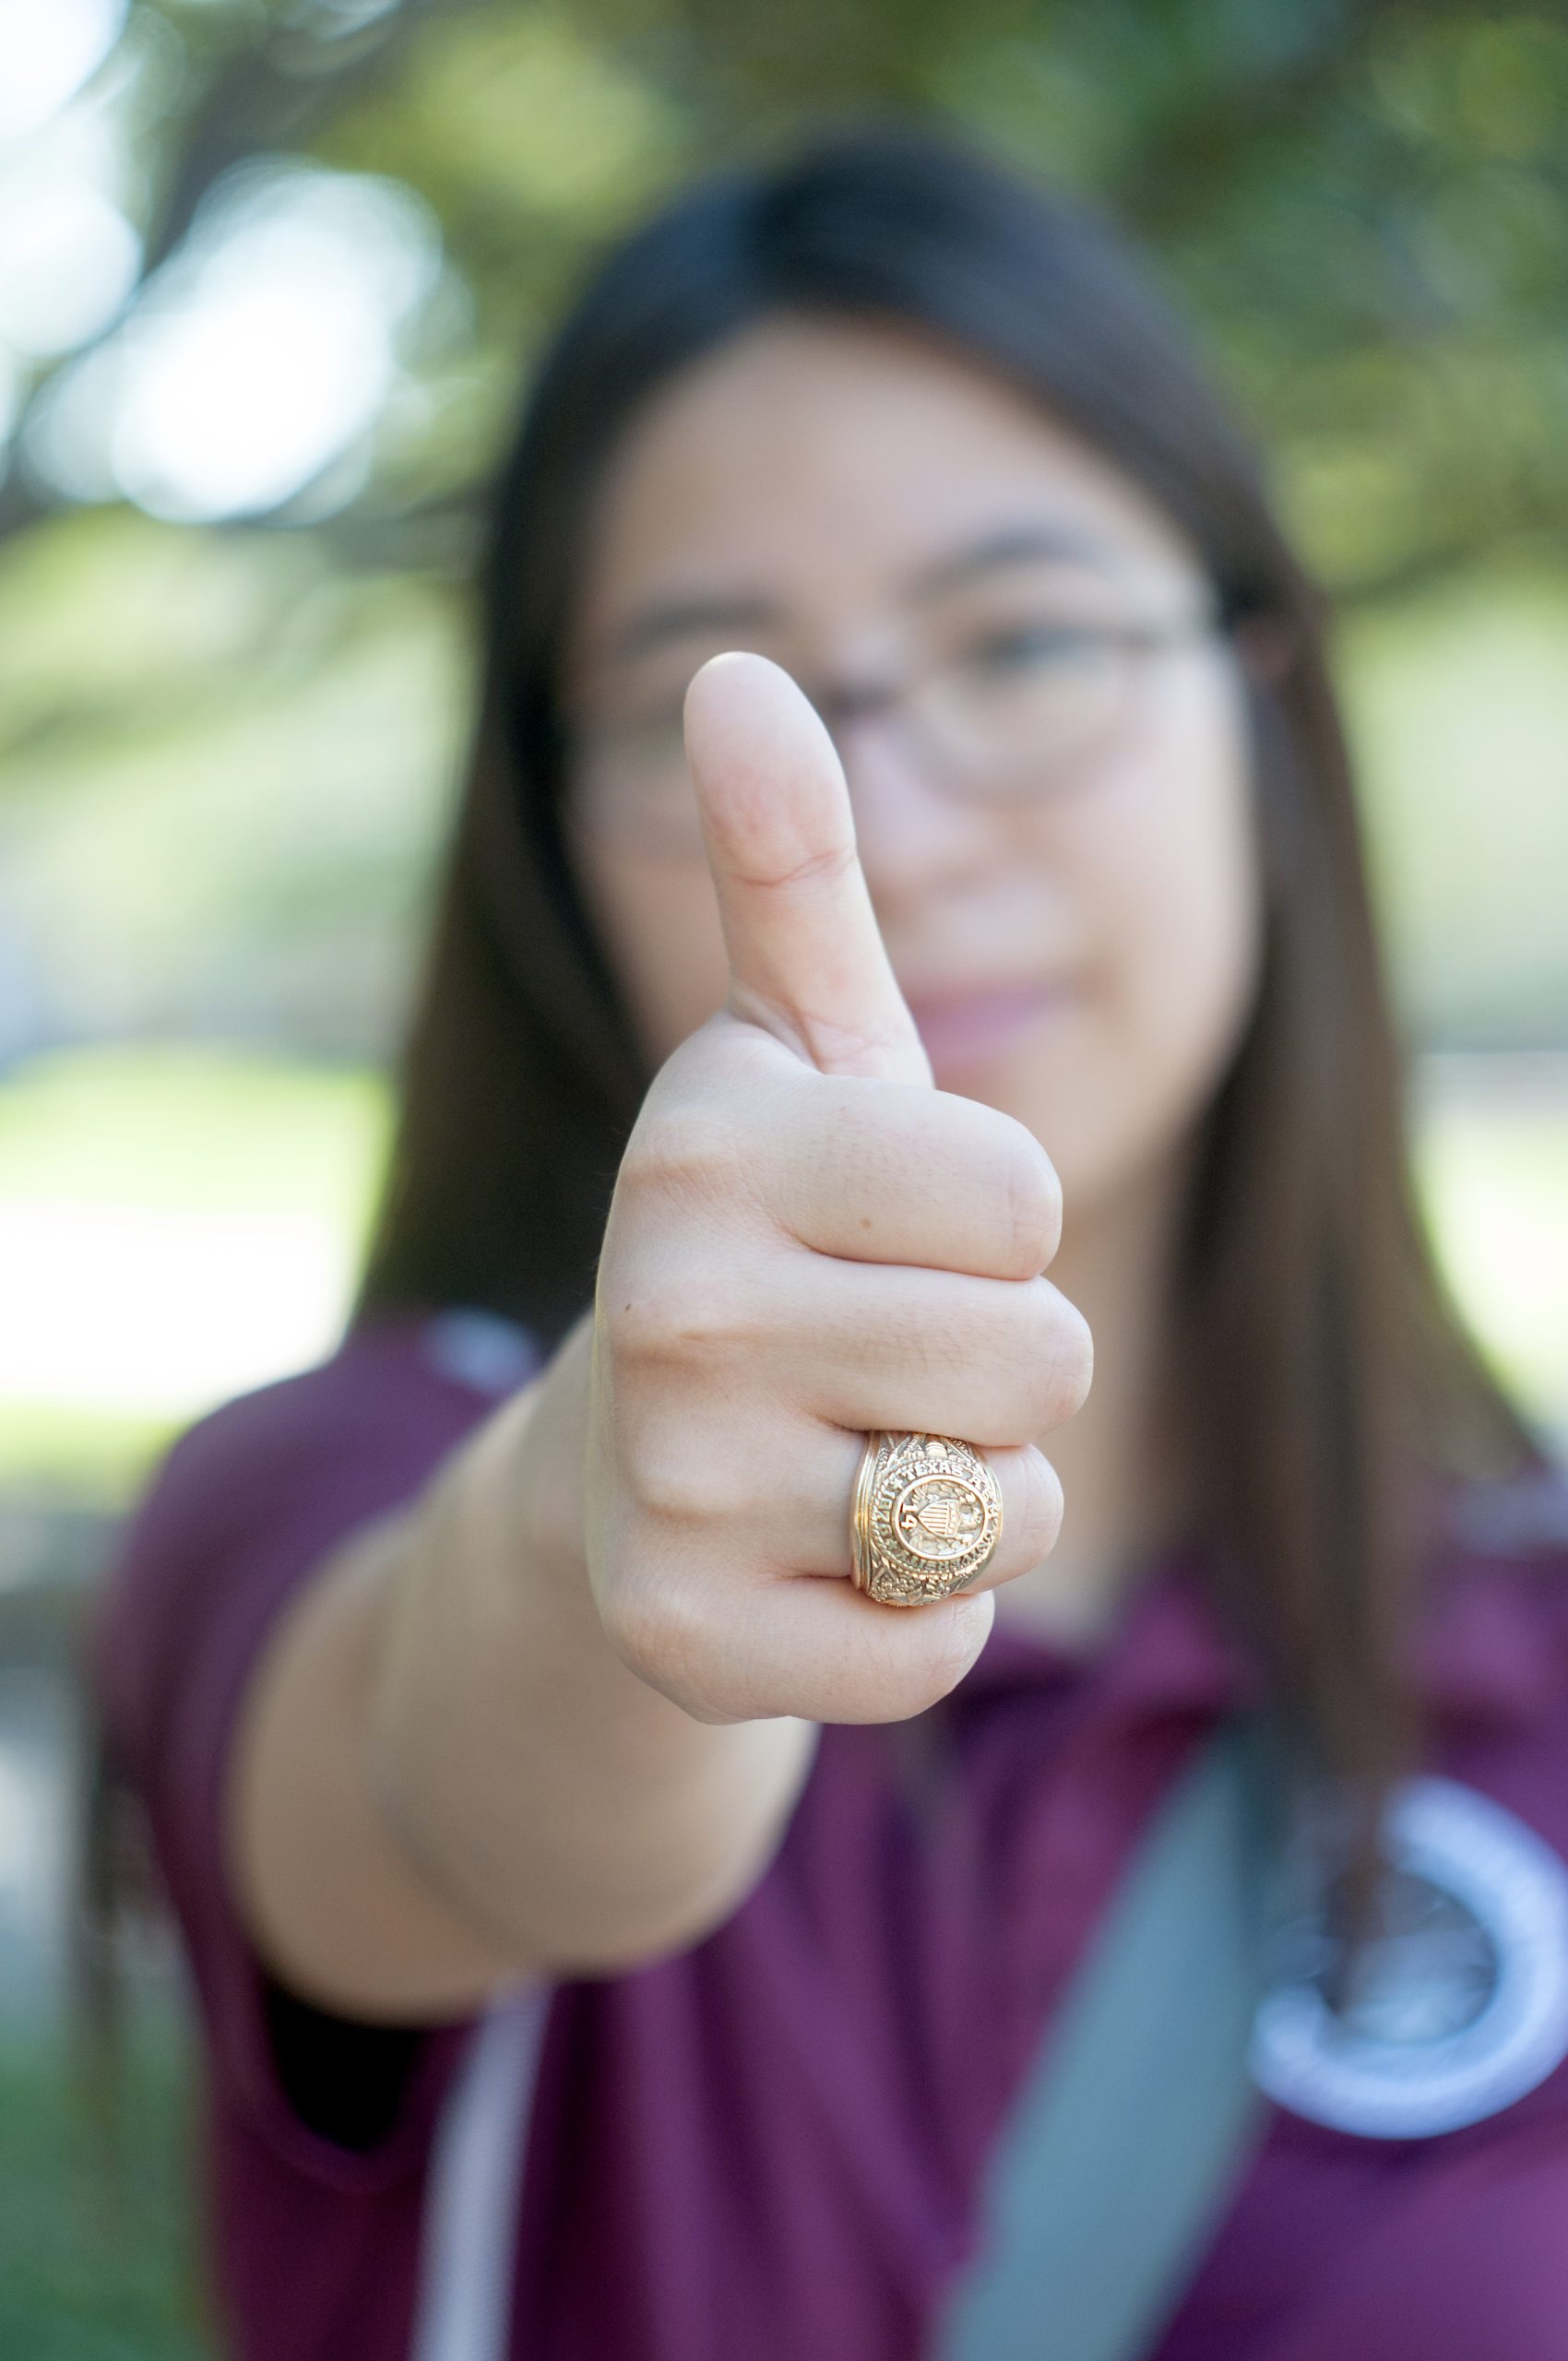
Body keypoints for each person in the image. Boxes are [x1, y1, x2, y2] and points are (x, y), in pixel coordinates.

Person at [94, 125, 1568, 2361]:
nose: (889, 820)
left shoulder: (1527, 1618)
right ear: (553, 835)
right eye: (711, 706)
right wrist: (600, 1506)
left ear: (1261, 705)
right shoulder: (306, 1500)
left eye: (1029, 640)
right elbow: (448, 1765)